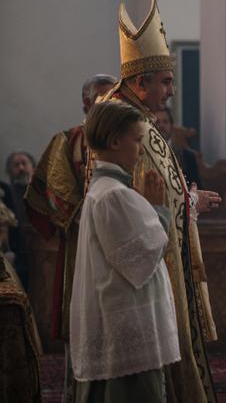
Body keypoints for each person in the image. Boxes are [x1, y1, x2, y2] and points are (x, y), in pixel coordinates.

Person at [97, 0, 220, 402]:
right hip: (141, 267)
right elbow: (141, 199)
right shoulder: (129, 125)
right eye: (165, 82)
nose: (171, 91)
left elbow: (160, 190)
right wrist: (190, 203)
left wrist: (189, 199)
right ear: (140, 83)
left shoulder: (136, 121)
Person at [70, 101, 179, 402]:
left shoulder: (108, 190)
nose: (141, 150)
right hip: (126, 325)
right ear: (115, 141)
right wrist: (158, 210)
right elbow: (140, 259)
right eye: (137, 140)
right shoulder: (113, 194)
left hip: (119, 321)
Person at [24, 73, 116, 401]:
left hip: (118, 243)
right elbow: (52, 190)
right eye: (102, 97)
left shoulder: (128, 139)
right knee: (82, 326)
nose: (109, 103)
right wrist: (89, 214)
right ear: (86, 103)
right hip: (81, 245)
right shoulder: (68, 141)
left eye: (114, 97)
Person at [3, 151, 36, 288]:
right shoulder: (5, 196)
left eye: (24, 163)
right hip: (16, 260)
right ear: (10, 171)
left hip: (40, 256)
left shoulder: (43, 194)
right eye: (16, 165)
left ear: (33, 167)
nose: (21, 168)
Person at [154, 106, 201, 187]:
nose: (161, 126)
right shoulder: (144, 154)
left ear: (172, 127)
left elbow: (196, 187)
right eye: (157, 122)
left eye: (165, 122)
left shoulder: (188, 157)